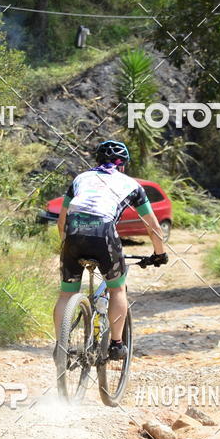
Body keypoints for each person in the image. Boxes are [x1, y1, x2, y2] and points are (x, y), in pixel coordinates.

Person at [53, 140, 168, 361]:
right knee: (117, 289)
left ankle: (61, 346)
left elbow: (61, 222)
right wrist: (159, 253)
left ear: (97, 161)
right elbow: (153, 226)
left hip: (73, 232)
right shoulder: (132, 185)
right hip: (104, 233)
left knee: (66, 294)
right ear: (123, 165)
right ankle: (116, 344)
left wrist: (67, 246)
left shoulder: (80, 179)